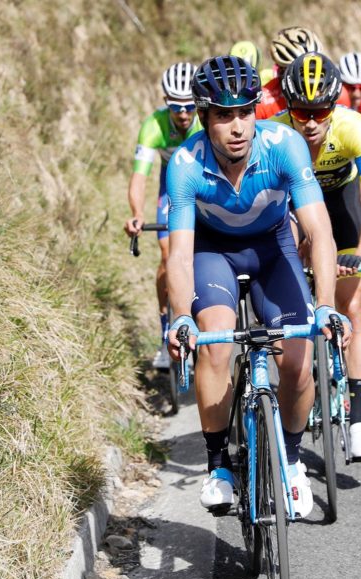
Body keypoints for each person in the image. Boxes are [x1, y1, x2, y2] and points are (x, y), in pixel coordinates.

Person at [164, 55, 348, 518]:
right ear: (205, 118)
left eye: (245, 111)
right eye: (224, 115)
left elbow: (319, 233)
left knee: (298, 361)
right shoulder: (186, 164)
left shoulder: (284, 145)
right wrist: (182, 316)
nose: (238, 126)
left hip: (272, 247)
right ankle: (218, 465)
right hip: (213, 252)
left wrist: (325, 306)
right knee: (216, 345)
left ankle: (291, 459)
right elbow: (180, 256)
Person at [273, 52, 361, 459]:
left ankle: (359, 419)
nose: (309, 122)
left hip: (340, 207)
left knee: (353, 304)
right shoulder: (273, 134)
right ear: (288, 107)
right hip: (291, 211)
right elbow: (268, 202)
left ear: (334, 105)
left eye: (320, 111)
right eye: (301, 111)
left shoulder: (353, 127)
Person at [123, 62, 203, 369]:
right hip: (170, 187)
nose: (183, 114)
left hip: (201, 181)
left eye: (189, 106)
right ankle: (165, 331)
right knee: (168, 253)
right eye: (175, 106)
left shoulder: (204, 122)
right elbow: (139, 176)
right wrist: (136, 213)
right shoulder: (154, 125)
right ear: (165, 102)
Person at [255, 26, 350, 119]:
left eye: (313, 67)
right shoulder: (263, 101)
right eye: (297, 71)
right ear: (280, 69)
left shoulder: (339, 94)